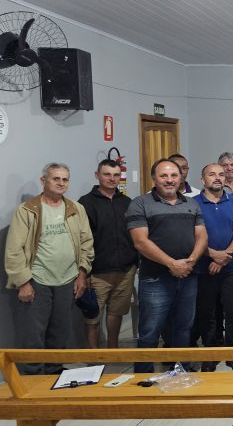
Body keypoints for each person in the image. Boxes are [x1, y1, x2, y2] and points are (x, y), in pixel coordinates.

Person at [5, 162, 93, 374]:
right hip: (37, 281)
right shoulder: (27, 211)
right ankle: (32, 378)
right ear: (43, 181)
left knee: (59, 332)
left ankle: (53, 373)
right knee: (33, 335)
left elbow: (86, 242)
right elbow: (14, 250)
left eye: (65, 179)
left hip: (67, 281)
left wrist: (82, 274)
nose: (61, 183)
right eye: (56, 178)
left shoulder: (75, 209)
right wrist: (23, 282)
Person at [126, 158, 207, 373]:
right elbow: (140, 241)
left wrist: (189, 262)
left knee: (183, 328)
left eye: (174, 175)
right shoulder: (140, 203)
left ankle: (181, 370)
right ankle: (142, 374)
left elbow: (202, 237)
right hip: (155, 279)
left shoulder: (191, 204)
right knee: (150, 330)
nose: (169, 180)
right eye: (164, 176)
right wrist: (172, 264)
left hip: (188, 276)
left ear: (181, 177)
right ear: (154, 178)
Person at [193, 164, 233, 372]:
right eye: (212, 174)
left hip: (232, 266)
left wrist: (225, 257)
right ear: (202, 179)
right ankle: (210, 354)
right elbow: (191, 236)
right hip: (203, 267)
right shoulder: (193, 204)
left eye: (221, 174)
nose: (217, 178)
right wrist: (213, 255)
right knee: (207, 313)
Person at [78, 159, 137, 349]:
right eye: (107, 174)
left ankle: (113, 350)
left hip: (125, 270)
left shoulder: (127, 202)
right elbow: (80, 240)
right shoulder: (85, 203)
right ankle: (93, 357)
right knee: (93, 316)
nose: (112, 179)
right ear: (97, 175)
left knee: (116, 312)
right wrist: (84, 272)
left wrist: (135, 262)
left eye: (116, 175)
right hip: (97, 272)